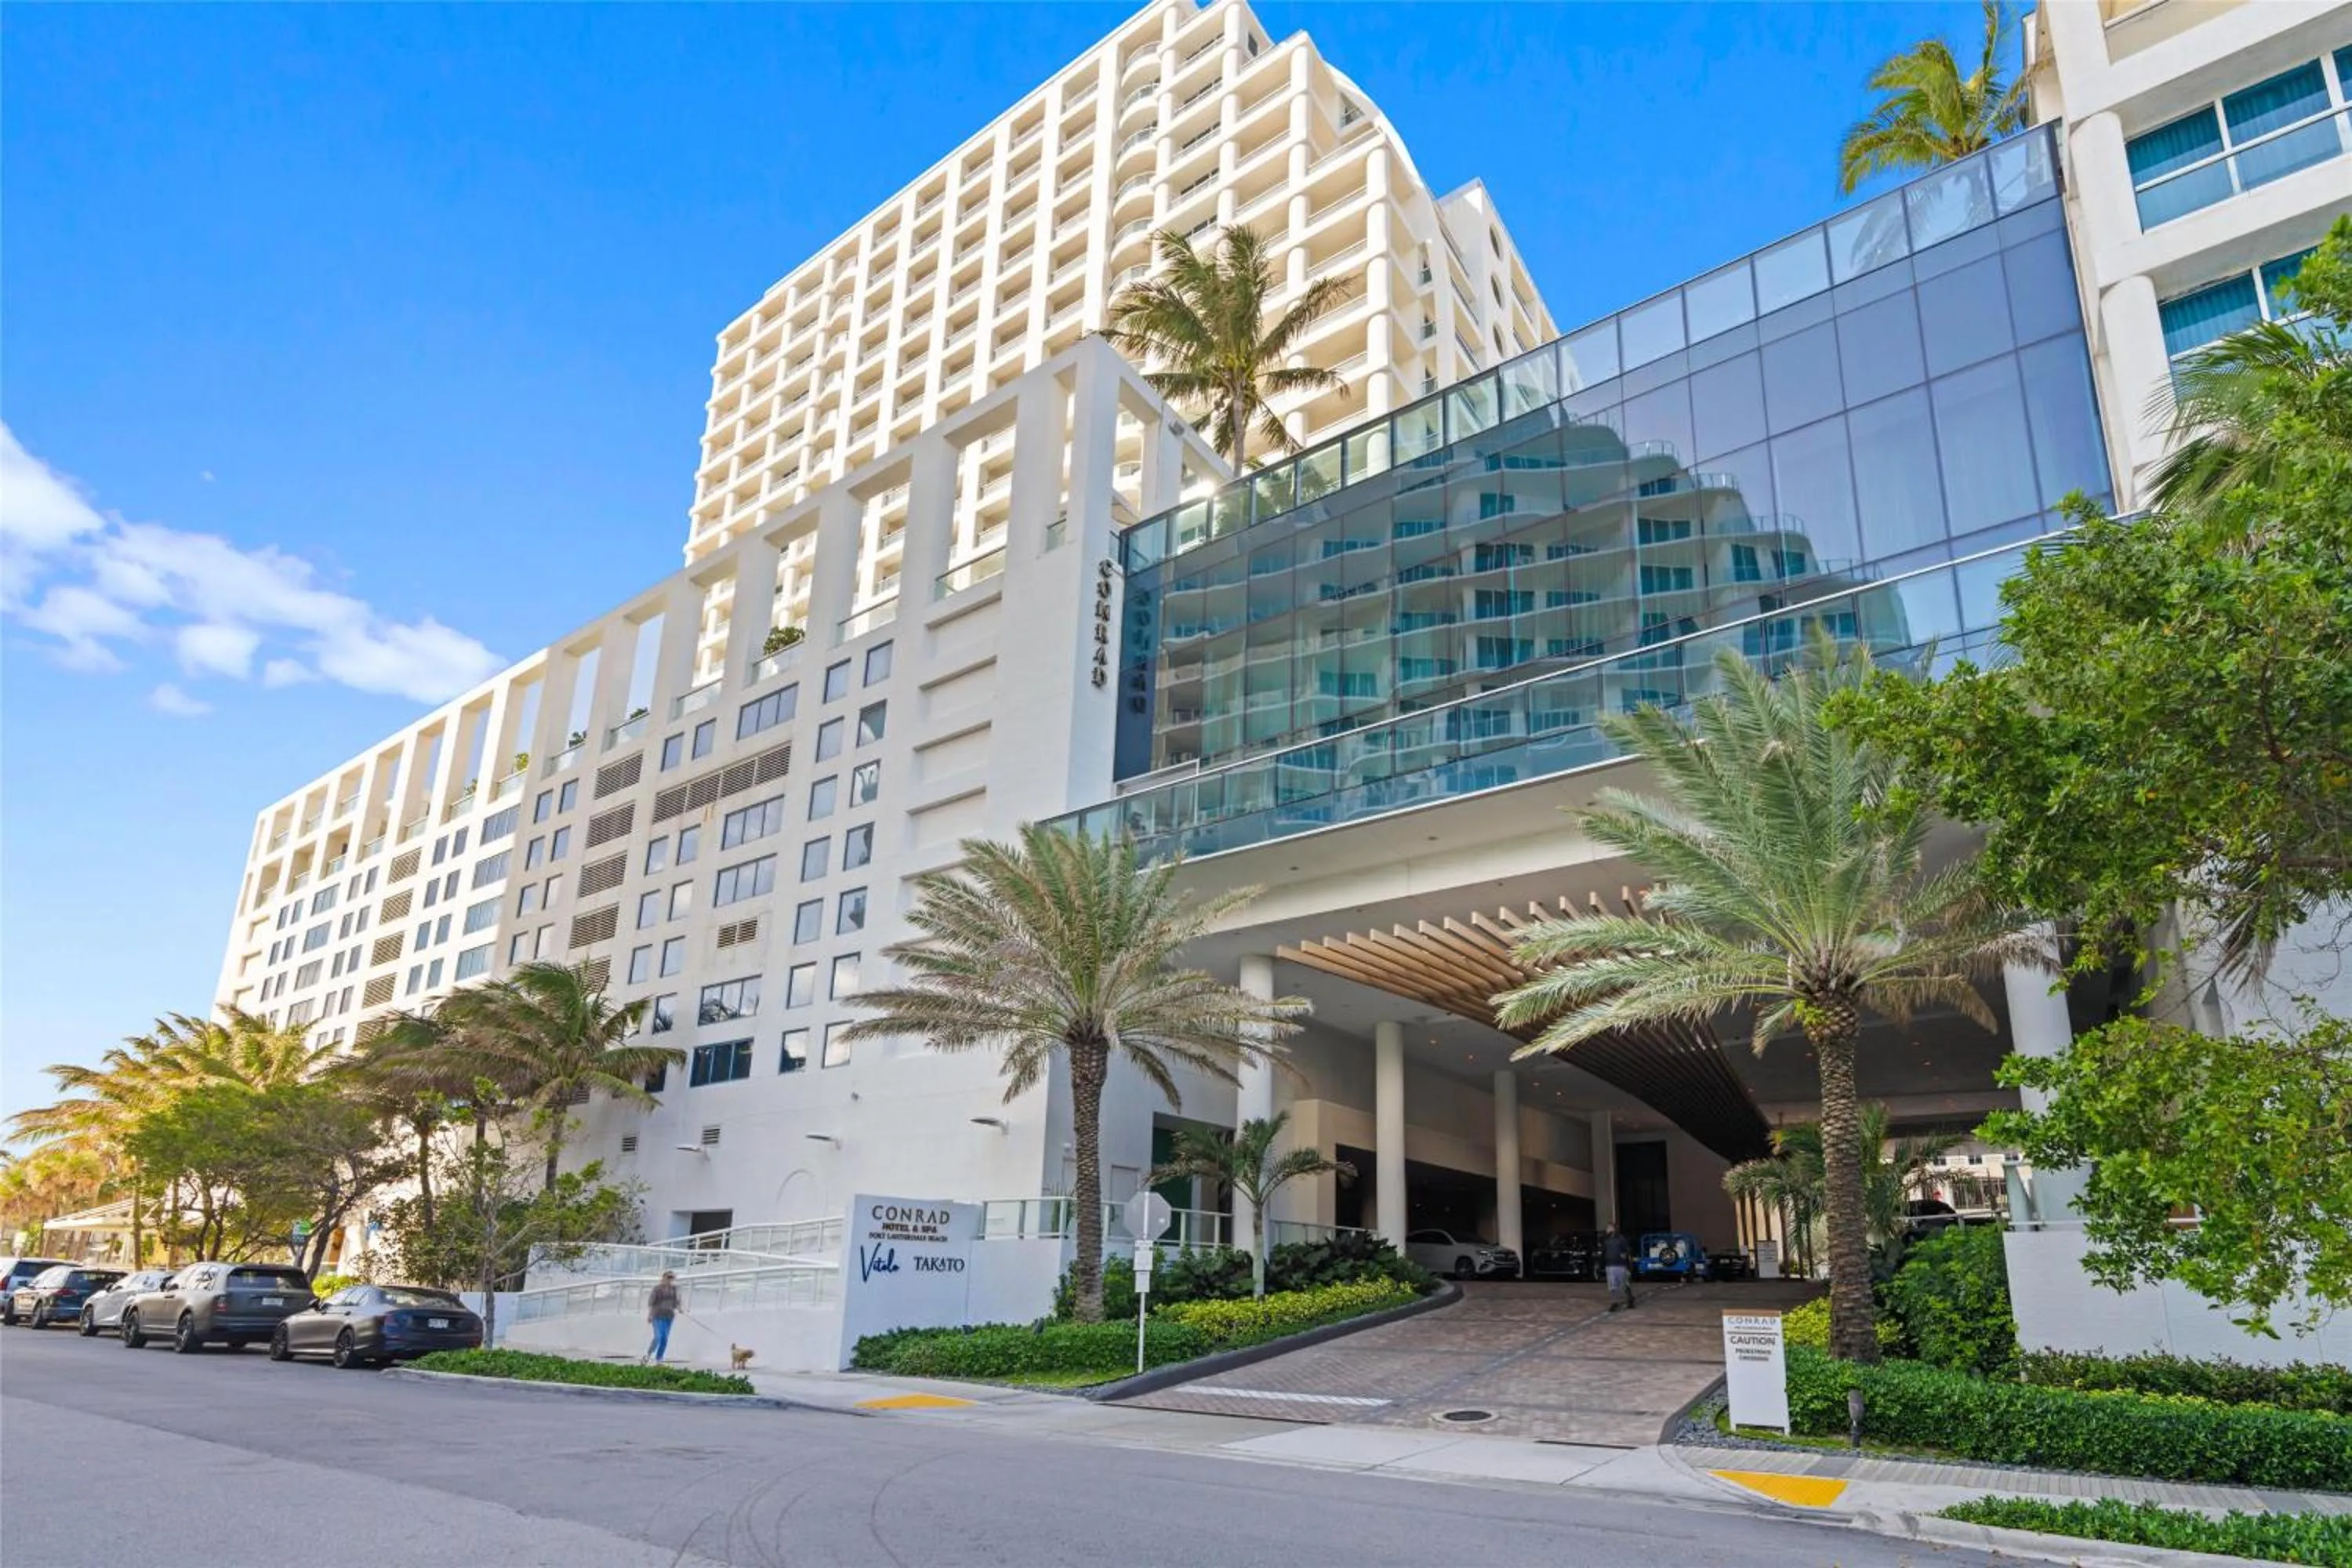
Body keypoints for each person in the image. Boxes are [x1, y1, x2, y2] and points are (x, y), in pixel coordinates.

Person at [644, 1270, 681, 1363]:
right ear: (663, 1278)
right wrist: (650, 1315)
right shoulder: (657, 1289)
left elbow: (677, 1301)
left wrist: (679, 1307)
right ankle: (648, 1354)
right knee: (658, 1337)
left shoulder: (674, 1289)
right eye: (668, 1277)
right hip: (658, 1316)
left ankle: (659, 1358)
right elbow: (651, 1303)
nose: (670, 1280)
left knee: (665, 1338)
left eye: (672, 1278)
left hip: (669, 1316)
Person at [1602, 1225, 1637, 1312]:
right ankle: (1614, 1302)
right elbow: (1604, 1252)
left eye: (1609, 1228)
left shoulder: (1621, 1239)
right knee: (1612, 1286)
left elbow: (1628, 1250)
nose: (1607, 1230)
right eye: (1607, 1229)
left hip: (1620, 1265)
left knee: (1624, 1284)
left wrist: (1625, 1256)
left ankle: (1630, 1299)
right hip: (1610, 1265)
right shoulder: (1606, 1240)